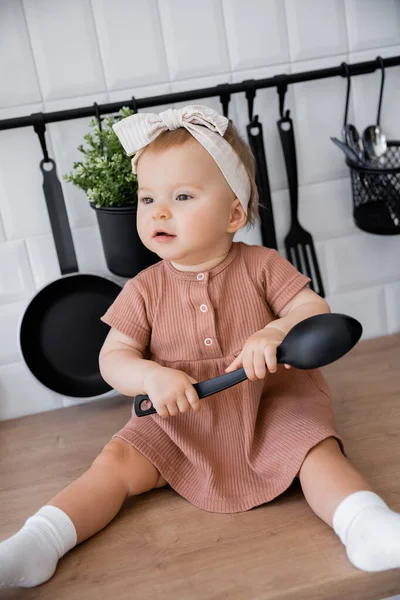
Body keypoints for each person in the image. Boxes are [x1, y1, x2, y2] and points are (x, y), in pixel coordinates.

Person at [1, 105, 400, 589]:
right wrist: (150, 376)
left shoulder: (263, 266)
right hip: (180, 421)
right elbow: (113, 358)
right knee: (114, 464)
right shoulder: (143, 289)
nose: (158, 212)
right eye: (147, 199)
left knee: (317, 452)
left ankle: (365, 524)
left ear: (234, 213)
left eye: (182, 196)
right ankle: (39, 541)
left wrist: (276, 332)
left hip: (268, 407)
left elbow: (315, 311)